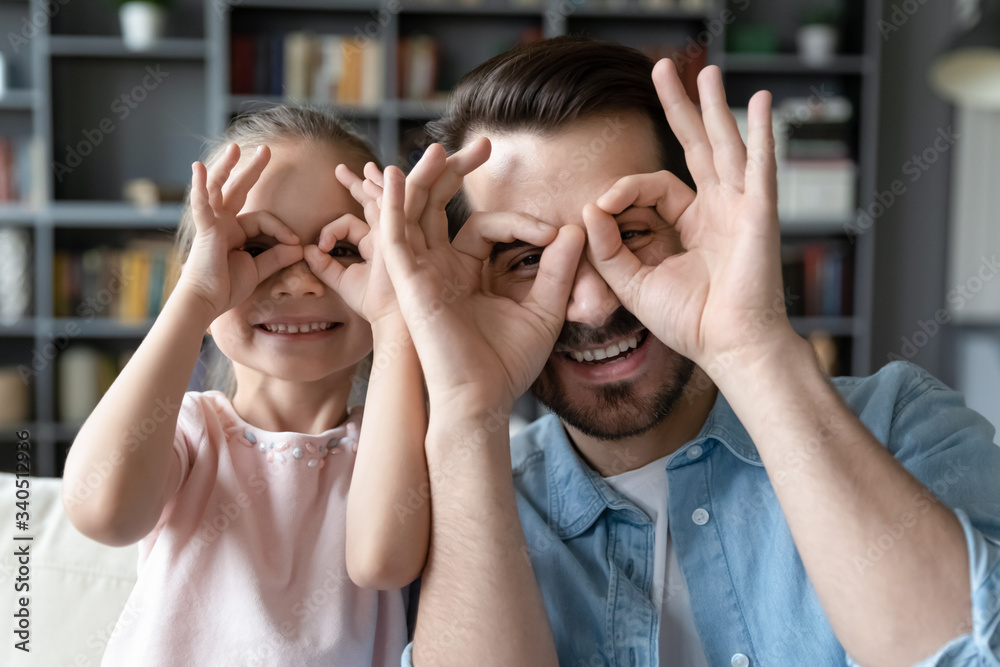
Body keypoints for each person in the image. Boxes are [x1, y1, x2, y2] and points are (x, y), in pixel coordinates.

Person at [358, 37, 1000, 666]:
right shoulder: (460, 501)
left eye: (632, 232)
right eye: (528, 260)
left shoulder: (899, 425)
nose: (592, 306)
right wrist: (467, 407)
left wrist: (752, 346)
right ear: (472, 284)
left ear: (698, 225)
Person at [60, 106, 428, 666]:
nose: (300, 283)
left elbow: (383, 561)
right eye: (255, 248)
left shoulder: (397, 447)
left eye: (343, 249)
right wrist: (196, 297)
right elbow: (101, 511)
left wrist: (395, 312)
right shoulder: (190, 433)